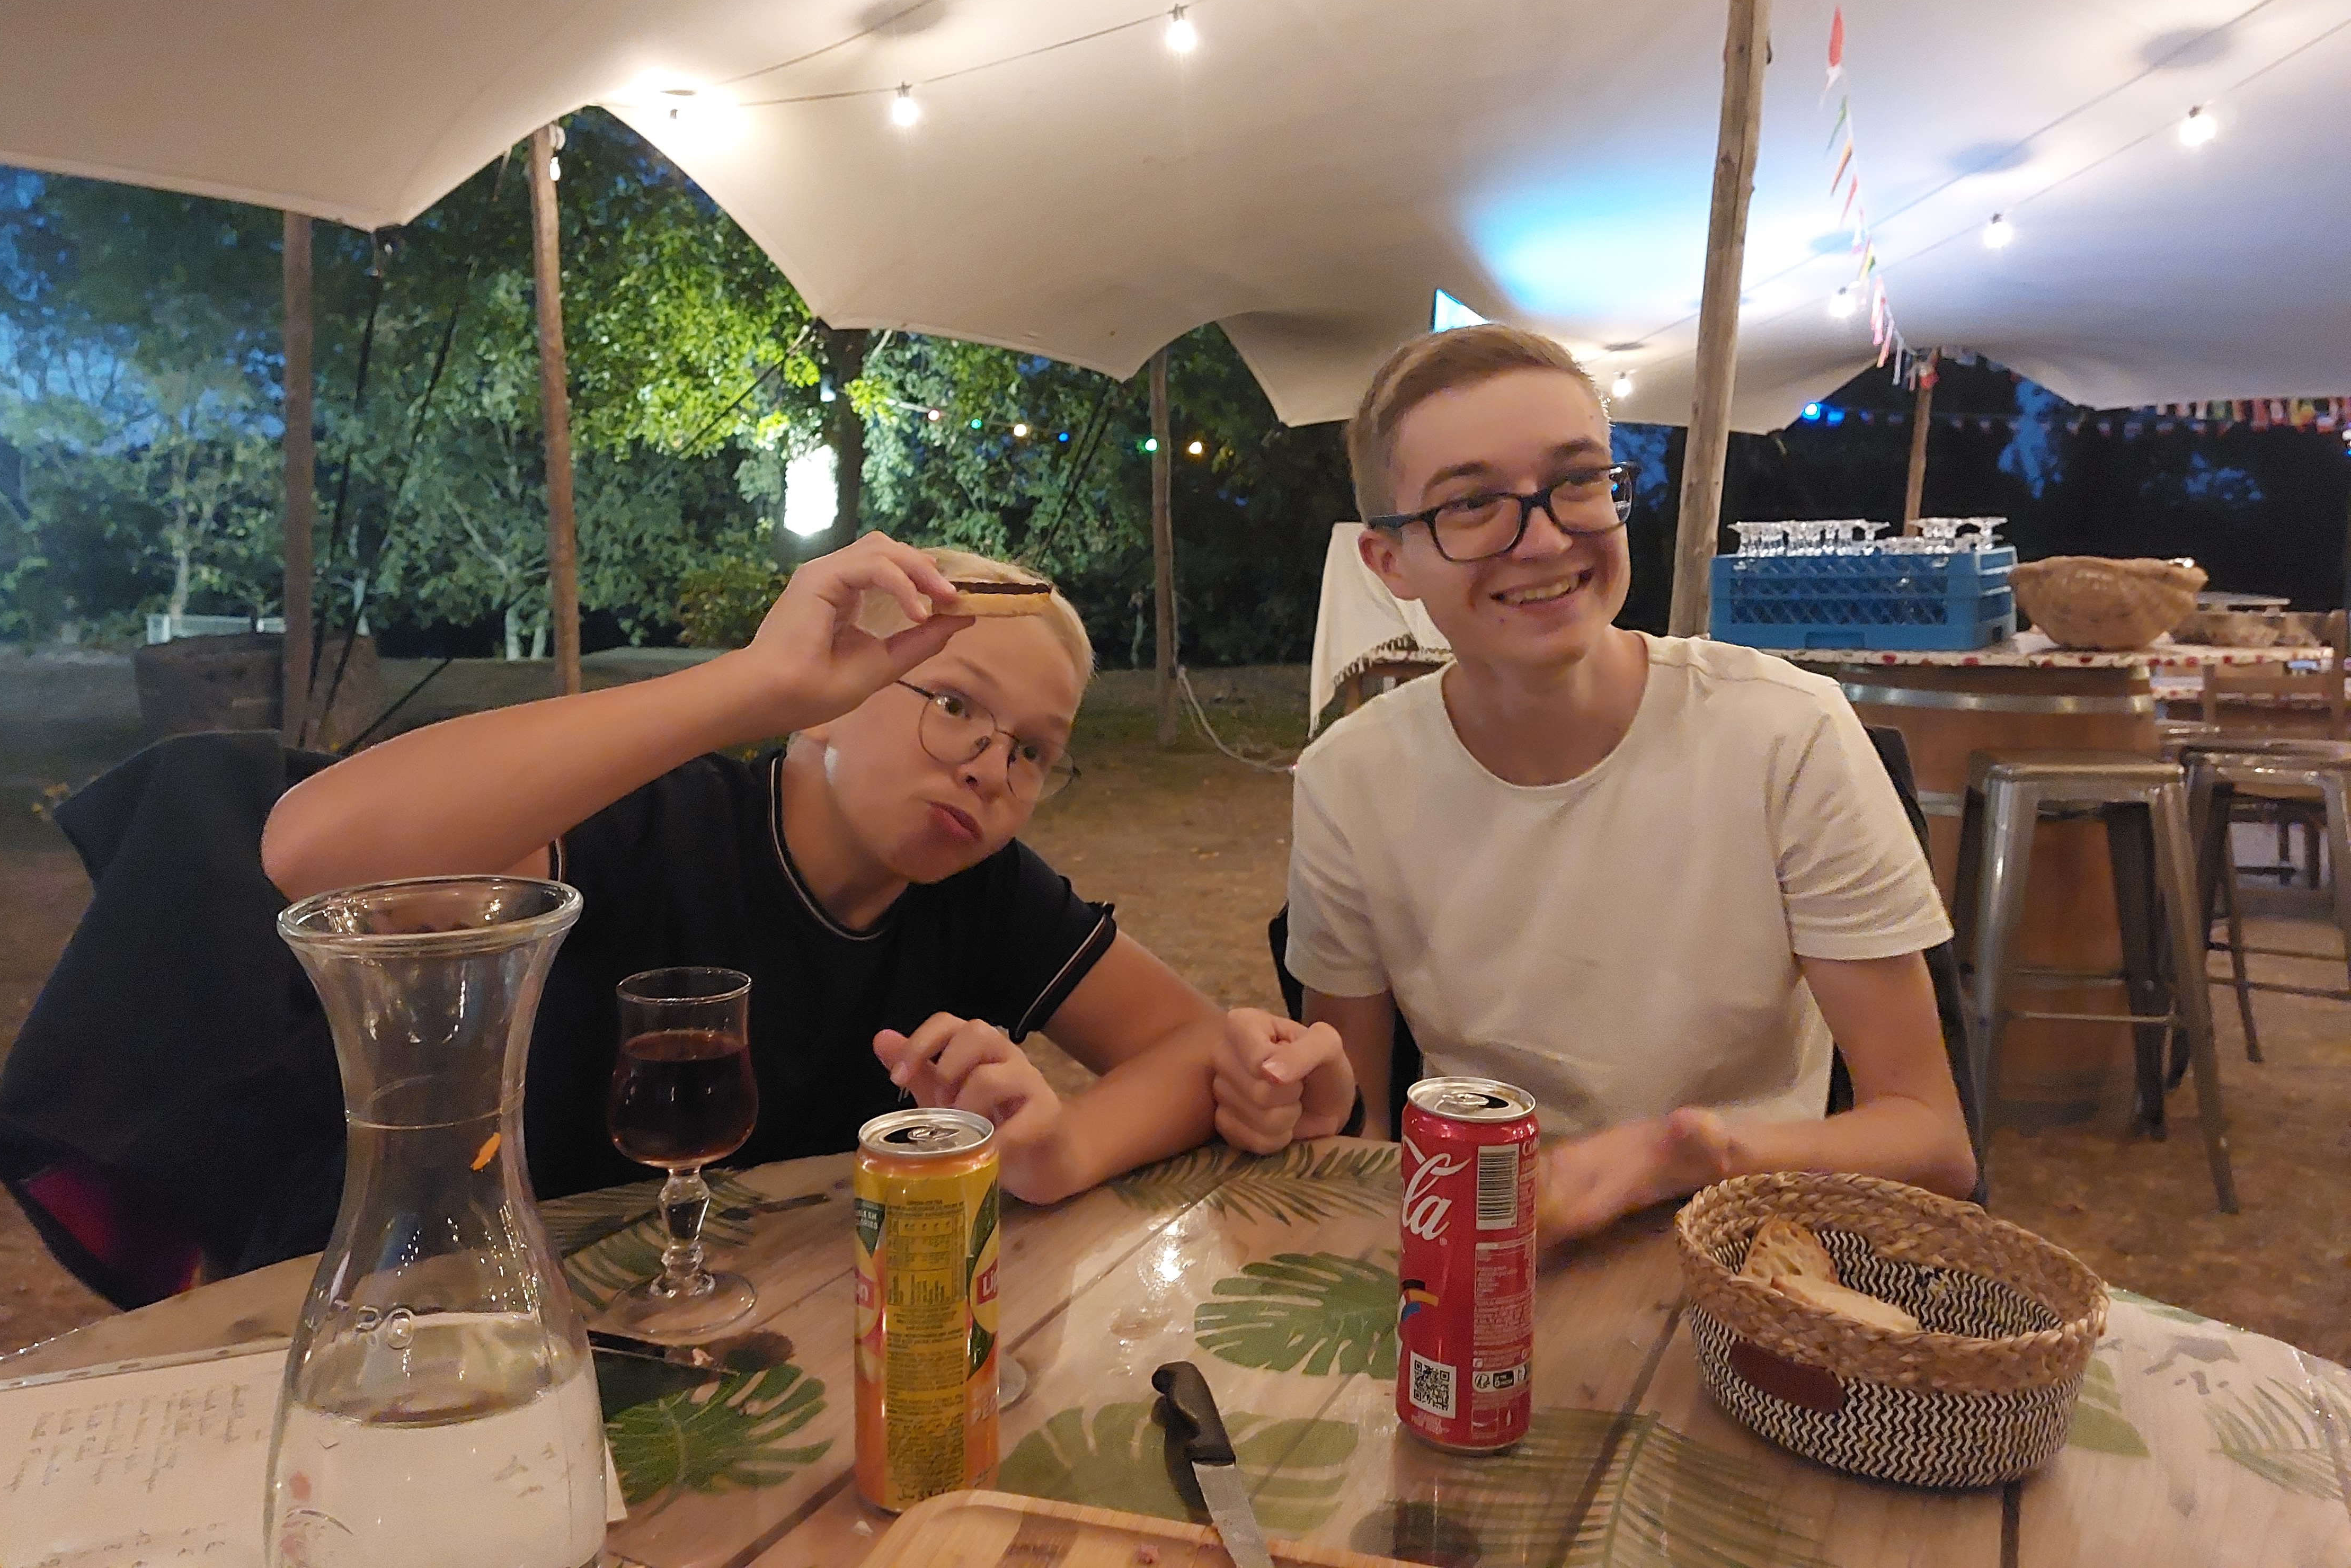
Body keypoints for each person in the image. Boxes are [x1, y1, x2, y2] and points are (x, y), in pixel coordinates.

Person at [263, 534, 1350, 1203]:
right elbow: (315, 853)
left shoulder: (980, 889)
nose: (989, 767)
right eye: (954, 705)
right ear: (828, 698)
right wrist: (751, 686)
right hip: (527, 1320)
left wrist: (1060, 1150)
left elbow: (1194, 1045)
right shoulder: (656, 822)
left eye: (1032, 752)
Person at [1230, 323, 1976, 1248]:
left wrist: (1680, 1156)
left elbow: (1932, 1140)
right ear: (1390, 565)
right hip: (1491, 1245)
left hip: (1742, 1248)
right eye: (1472, 503)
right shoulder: (1351, 778)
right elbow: (1360, 1122)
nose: (1545, 539)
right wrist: (1289, 1093)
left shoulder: (1787, 733)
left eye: (1578, 480)